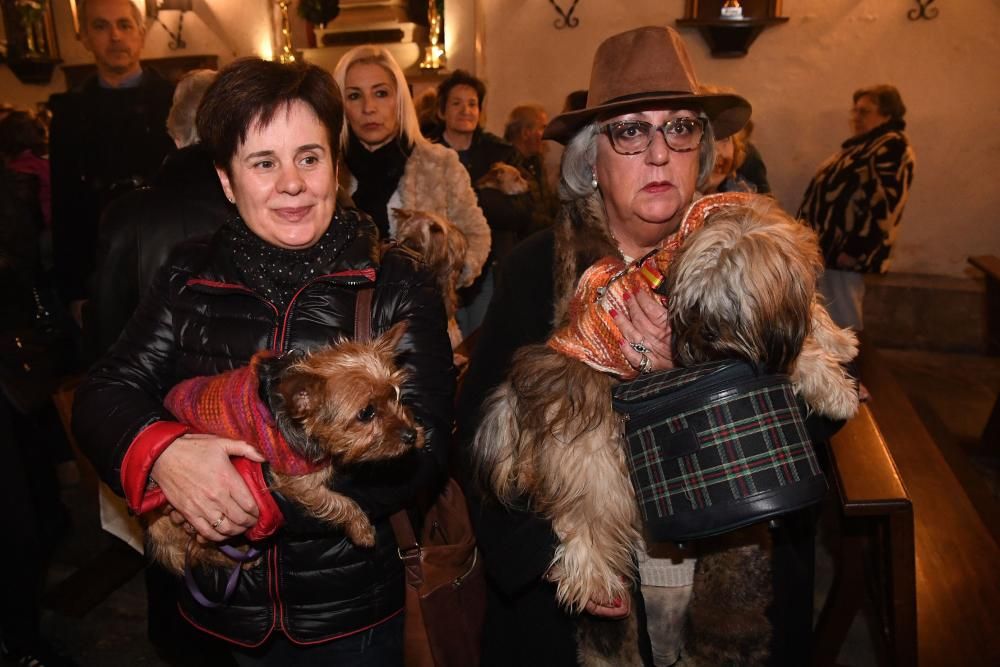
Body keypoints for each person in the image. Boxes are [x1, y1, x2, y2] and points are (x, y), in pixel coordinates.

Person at [459, 26, 834, 666]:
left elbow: (821, 420)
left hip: (731, 588)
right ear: (590, 161)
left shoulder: (755, 252)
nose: (659, 153)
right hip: (593, 598)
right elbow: (474, 439)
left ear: (703, 151)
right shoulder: (534, 268)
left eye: (680, 128)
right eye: (631, 131)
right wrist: (560, 558)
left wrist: (691, 381)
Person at [72, 57, 455, 666]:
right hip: (217, 617)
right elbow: (103, 393)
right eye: (263, 163)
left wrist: (260, 499)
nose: (292, 183)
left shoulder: (393, 279)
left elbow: (425, 450)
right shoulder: (189, 273)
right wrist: (165, 453)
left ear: (336, 164)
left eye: (309, 156)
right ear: (227, 180)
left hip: (347, 617)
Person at [332, 46, 491, 341]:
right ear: (341, 105)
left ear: (399, 99)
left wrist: (441, 282)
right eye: (354, 95)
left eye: (381, 93)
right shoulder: (328, 171)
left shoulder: (439, 163)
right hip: (348, 336)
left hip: (427, 329)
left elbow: (477, 235)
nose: (369, 107)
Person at [48, 0, 175, 329]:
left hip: (169, 265)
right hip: (100, 272)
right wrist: (74, 291)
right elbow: (65, 205)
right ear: (85, 38)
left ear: (141, 33)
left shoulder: (172, 100)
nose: (115, 36)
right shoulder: (69, 113)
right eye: (101, 26)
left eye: (124, 25)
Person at [798, 84, 915, 331]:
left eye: (864, 111)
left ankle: (851, 368)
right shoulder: (863, 144)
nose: (856, 117)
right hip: (830, 248)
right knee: (827, 315)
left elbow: (886, 204)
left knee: (843, 319)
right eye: (855, 111)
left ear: (887, 114)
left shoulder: (892, 146)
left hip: (847, 250)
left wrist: (856, 247)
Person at [431, 70, 533, 334]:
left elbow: (523, 212)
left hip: (489, 266)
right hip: (438, 268)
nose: (466, 110)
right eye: (456, 103)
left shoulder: (501, 153)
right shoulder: (426, 155)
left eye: (472, 104)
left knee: (481, 339)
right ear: (442, 111)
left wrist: (471, 200)